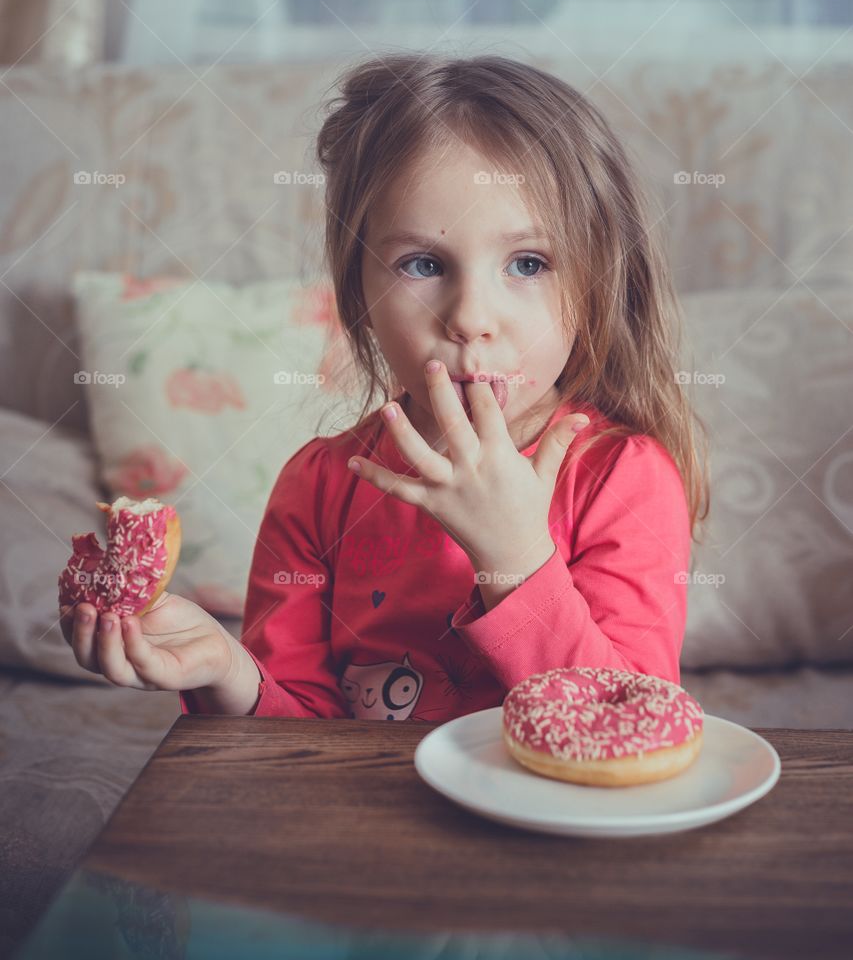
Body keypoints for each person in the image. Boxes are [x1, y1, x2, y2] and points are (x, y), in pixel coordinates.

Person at [62, 53, 710, 721]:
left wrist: (516, 556)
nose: (469, 318)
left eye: (527, 263)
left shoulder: (623, 478)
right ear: (358, 294)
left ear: (600, 285)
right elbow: (298, 735)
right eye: (422, 264)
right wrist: (229, 673)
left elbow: (629, 723)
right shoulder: (317, 488)